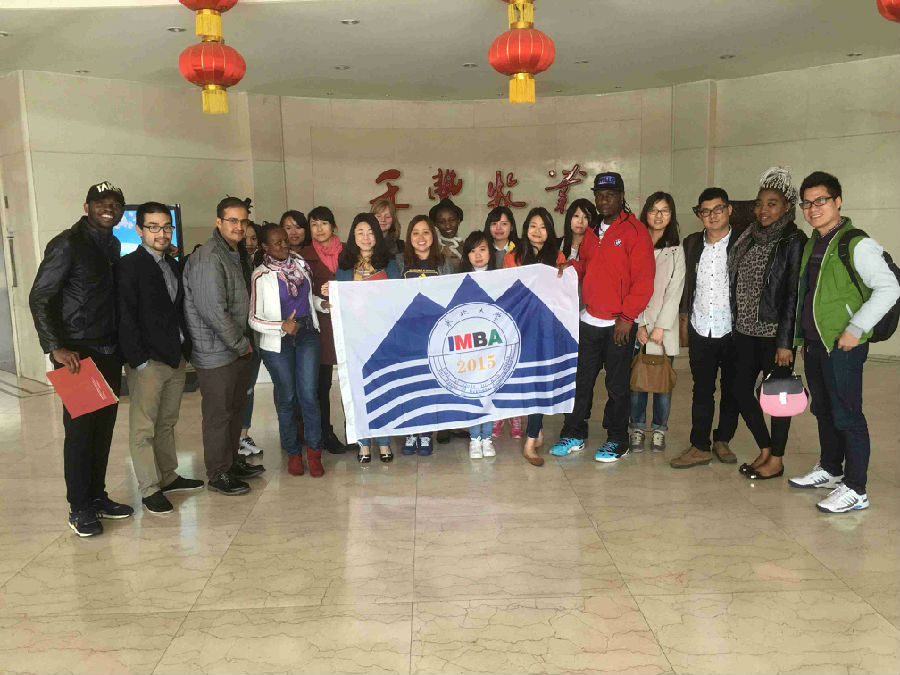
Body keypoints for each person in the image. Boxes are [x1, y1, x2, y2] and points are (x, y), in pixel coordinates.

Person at [789, 171, 900, 512]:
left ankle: (856, 488)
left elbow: (890, 288)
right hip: (815, 342)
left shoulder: (856, 243)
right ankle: (831, 468)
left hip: (844, 345)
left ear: (838, 201)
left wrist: (856, 327)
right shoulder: (814, 241)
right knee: (823, 409)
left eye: (820, 200)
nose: (813, 208)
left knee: (847, 414)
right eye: (807, 203)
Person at [29, 181, 134, 536]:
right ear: (86, 207)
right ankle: (79, 507)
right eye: (101, 202)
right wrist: (54, 347)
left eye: (115, 204)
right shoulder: (67, 244)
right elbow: (40, 297)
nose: (109, 208)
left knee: (103, 431)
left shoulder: (113, 244)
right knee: (81, 433)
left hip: (109, 351)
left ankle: (97, 496)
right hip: (77, 353)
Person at [550, 172, 655, 463]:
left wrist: (627, 317)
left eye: (610, 194)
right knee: (581, 381)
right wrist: (569, 268)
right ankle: (574, 432)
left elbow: (644, 280)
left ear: (622, 196)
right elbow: (586, 267)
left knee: (617, 385)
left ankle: (617, 439)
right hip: (589, 320)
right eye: (599, 195)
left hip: (618, 324)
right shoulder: (592, 231)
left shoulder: (636, 232)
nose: (604, 199)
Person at [117, 202, 203, 515]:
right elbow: (124, 317)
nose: (162, 233)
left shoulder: (171, 264)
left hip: (175, 357)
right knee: (143, 428)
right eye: (153, 227)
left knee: (167, 422)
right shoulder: (128, 266)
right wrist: (138, 360)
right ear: (139, 230)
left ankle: (168, 476)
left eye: (166, 226)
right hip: (148, 362)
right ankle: (149, 488)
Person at [729, 168, 807, 480]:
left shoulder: (794, 240)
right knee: (738, 389)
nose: (763, 210)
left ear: (787, 206)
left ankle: (777, 459)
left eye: (772, 204)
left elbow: (793, 294)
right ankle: (765, 447)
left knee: (778, 398)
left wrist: (786, 343)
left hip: (775, 336)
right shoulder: (748, 237)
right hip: (744, 332)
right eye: (760, 204)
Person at [183, 196, 264, 496]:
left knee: (234, 409)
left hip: (237, 348)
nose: (239, 226)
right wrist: (241, 344)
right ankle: (218, 473)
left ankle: (231, 463)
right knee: (219, 414)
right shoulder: (209, 257)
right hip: (216, 352)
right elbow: (213, 311)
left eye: (243, 221)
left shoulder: (235, 253)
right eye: (232, 220)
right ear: (218, 222)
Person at [669, 187, 740, 469]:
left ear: (729, 210)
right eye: (705, 211)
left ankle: (723, 439)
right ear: (700, 214)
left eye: (718, 209)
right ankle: (700, 445)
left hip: (734, 330)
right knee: (702, 390)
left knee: (732, 389)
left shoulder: (743, 243)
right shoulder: (691, 244)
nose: (712, 216)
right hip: (701, 327)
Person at [250, 224, 325, 477]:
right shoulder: (261, 276)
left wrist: (322, 304)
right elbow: (253, 318)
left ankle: (314, 453)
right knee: (287, 398)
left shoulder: (301, 264)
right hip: (277, 341)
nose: (284, 245)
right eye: (277, 243)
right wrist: (281, 326)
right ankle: (293, 452)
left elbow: (307, 300)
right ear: (265, 247)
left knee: (309, 396)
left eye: (285, 240)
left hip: (306, 334)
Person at [333, 213, 401, 463]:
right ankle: (363, 443)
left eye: (370, 232)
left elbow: (398, 296)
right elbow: (339, 300)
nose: (365, 237)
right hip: (353, 336)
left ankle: (383, 441)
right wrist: (330, 292)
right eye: (360, 232)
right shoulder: (344, 264)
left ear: (377, 235)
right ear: (353, 235)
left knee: (382, 387)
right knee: (357, 389)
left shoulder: (389, 263)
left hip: (381, 335)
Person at [504, 207, 567, 466]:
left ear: (550, 231)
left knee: (540, 382)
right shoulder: (513, 256)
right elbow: (509, 291)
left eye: (543, 227)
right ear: (525, 228)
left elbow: (563, 292)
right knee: (526, 381)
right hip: (521, 328)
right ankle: (536, 428)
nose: (537, 231)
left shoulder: (558, 256)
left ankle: (530, 442)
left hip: (547, 330)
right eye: (533, 226)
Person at [629, 192, 685, 453]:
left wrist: (660, 327)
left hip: (665, 329)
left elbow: (675, 291)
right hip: (638, 326)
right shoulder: (636, 244)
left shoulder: (676, 250)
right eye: (654, 210)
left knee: (662, 384)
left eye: (664, 210)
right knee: (638, 381)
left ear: (671, 215)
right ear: (646, 214)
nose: (659, 215)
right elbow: (630, 285)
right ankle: (637, 427)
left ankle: (659, 429)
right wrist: (639, 324)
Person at [399, 215, 454, 457]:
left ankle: (426, 432)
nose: (421, 237)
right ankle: (411, 430)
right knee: (410, 383)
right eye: (415, 232)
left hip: (434, 334)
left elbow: (450, 296)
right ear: (409, 237)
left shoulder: (444, 263)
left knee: (430, 384)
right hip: (407, 334)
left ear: (433, 236)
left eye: (426, 232)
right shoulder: (399, 262)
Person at [299, 206, 353, 454]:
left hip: (349, 322)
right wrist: (320, 301)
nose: (319, 229)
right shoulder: (303, 256)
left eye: (324, 223)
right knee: (321, 384)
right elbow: (300, 293)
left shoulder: (349, 251)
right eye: (314, 224)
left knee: (351, 381)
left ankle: (355, 432)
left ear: (333, 226)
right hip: (320, 325)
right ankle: (325, 433)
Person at [238, 219, 266, 457]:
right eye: (244, 237)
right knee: (239, 389)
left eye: (253, 238)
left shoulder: (259, 264)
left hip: (256, 338)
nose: (248, 242)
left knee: (249, 389)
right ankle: (235, 438)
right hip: (237, 339)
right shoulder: (231, 263)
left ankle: (243, 435)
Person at [429, 197, 464, 273]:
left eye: (452, 220)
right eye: (441, 222)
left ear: (458, 221)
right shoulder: (431, 248)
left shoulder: (468, 247)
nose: (448, 226)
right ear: (435, 224)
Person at [371, 198, 405, 270]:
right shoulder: (363, 244)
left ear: (393, 219)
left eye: (387, 216)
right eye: (378, 216)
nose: (383, 219)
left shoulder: (402, 247)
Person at [484, 206, 519, 270]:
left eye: (504, 224)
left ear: (511, 227)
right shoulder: (482, 249)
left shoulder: (521, 249)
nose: (498, 228)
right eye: (494, 224)